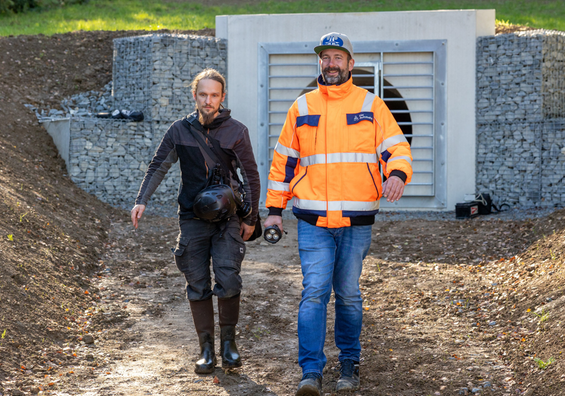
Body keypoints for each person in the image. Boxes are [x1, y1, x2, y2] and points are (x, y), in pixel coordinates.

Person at [264, 32, 413, 395]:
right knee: (313, 292)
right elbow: (283, 163)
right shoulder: (301, 108)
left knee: (348, 294)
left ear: (350, 63)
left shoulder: (372, 105)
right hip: (313, 220)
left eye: (337, 57)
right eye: (325, 57)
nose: (330, 64)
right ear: (320, 63)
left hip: (356, 221)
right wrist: (273, 211)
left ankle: (350, 363)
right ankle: (310, 373)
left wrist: (396, 173)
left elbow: (398, 147)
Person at [131, 68, 260, 374]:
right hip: (191, 217)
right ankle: (206, 350)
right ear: (194, 96)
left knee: (228, 278)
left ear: (222, 97)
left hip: (228, 218)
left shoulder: (236, 131)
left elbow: (251, 177)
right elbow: (158, 166)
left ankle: (229, 345)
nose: (208, 100)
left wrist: (251, 218)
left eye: (214, 95)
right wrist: (141, 200)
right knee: (197, 283)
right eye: (203, 94)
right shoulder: (179, 130)